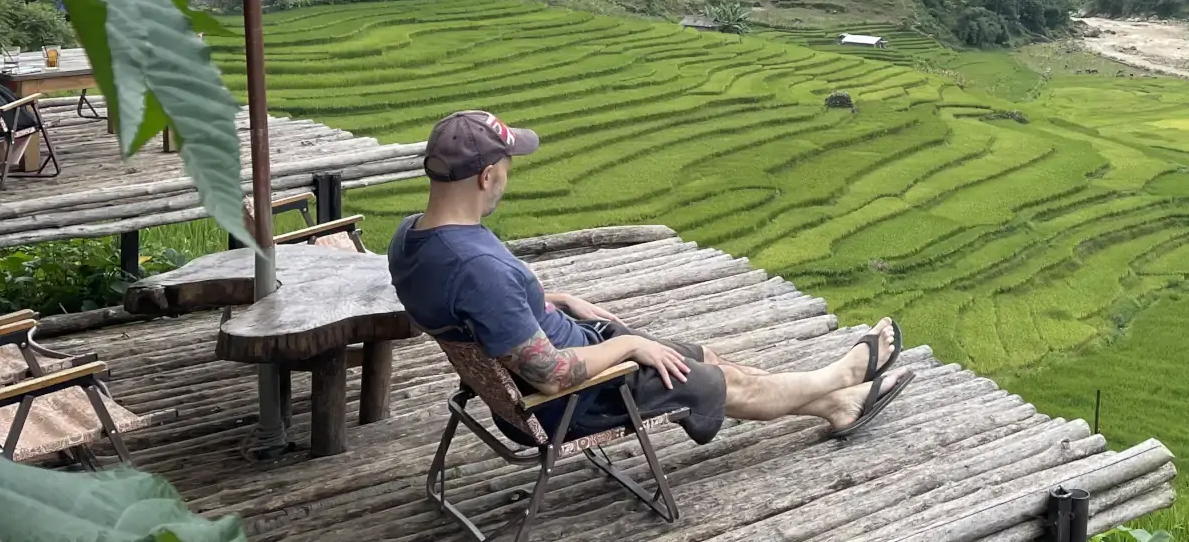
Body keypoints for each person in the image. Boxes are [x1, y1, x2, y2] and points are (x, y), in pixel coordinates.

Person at [388, 109, 912, 445]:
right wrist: (630, 346)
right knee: (710, 377)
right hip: (568, 403)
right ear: (487, 175)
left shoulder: (412, 239)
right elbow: (549, 374)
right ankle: (835, 388)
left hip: (536, 377)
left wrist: (555, 298)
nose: (508, 174)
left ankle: (837, 398)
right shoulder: (479, 270)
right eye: (507, 164)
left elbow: (479, 310)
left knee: (699, 355)